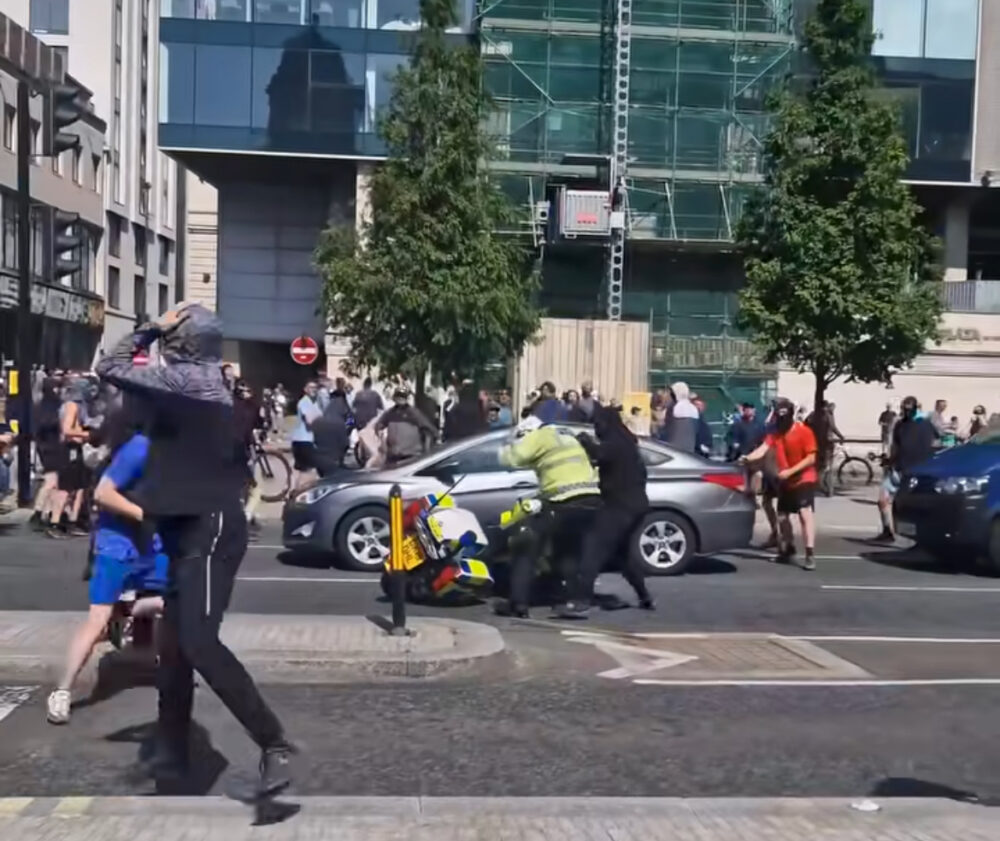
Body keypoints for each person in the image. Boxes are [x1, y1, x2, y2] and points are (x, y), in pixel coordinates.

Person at [95, 303, 294, 797]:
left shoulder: (186, 382)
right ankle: (173, 751)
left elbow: (110, 365)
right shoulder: (202, 381)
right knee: (175, 649)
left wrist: (150, 329)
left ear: (179, 342)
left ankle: (274, 743)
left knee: (199, 642)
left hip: (209, 529)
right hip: (189, 527)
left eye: (171, 336)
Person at [46, 420, 168, 725]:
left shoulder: (174, 450)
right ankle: (62, 691)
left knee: (177, 603)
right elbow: (103, 494)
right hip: (118, 546)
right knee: (97, 621)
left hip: (153, 545)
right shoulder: (140, 447)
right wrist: (146, 515)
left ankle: (128, 616)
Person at [493, 413, 601, 618]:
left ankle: (518, 604)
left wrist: (505, 445)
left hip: (564, 499)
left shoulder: (539, 436)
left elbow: (512, 458)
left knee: (526, 546)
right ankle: (569, 600)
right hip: (591, 500)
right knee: (568, 550)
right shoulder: (565, 435)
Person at [558, 406, 654, 618]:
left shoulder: (615, 445)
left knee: (593, 548)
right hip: (636, 506)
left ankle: (581, 601)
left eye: (597, 424)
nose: (596, 428)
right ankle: (644, 596)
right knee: (623, 554)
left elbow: (598, 453)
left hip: (619, 506)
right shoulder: (627, 442)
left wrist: (583, 440)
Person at [743, 398, 818, 570]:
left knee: (805, 513)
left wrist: (790, 472)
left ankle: (809, 554)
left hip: (804, 478)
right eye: (779, 418)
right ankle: (788, 549)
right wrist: (746, 458)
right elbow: (762, 450)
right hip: (785, 480)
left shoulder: (804, 431)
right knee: (783, 516)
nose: (781, 422)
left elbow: (811, 458)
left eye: (784, 418)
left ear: (791, 416)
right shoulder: (775, 434)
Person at [875, 395, 937, 542]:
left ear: (915, 408)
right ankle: (887, 531)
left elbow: (936, 442)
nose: (906, 411)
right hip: (900, 468)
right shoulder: (901, 425)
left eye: (909, 409)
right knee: (883, 499)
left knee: (915, 505)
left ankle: (922, 536)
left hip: (917, 471)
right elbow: (897, 446)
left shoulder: (926, 424)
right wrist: (889, 461)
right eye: (904, 408)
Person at [29, 378, 65, 532]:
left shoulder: (40, 405)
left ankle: (46, 512)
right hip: (50, 447)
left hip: (47, 447)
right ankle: (38, 512)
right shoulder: (50, 407)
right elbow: (46, 424)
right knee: (52, 481)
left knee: (54, 482)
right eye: (57, 388)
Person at [376, 388, 438, 465]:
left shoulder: (414, 413)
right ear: (394, 398)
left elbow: (429, 429)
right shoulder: (390, 413)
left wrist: (426, 452)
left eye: (402, 397)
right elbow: (379, 426)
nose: (400, 399)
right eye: (398, 397)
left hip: (411, 456)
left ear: (406, 398)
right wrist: (381, 441)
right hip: (393, 456)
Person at [290, 381, 321, 489]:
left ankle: (293, 493)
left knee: (301, 471)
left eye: (315, 387)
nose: (313, 389)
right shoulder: (304, 402)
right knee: (309, 472)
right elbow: (309, 421)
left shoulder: (313, 403)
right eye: (311, 387)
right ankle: (299, 495)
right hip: (303, 440)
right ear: (305, 389)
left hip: (303, 440)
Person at [658, 381, 699, 454]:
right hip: (690, 452)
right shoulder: (693, 408)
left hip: (672, 451)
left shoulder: (673, 408)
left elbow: (666, 432)